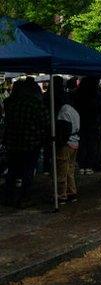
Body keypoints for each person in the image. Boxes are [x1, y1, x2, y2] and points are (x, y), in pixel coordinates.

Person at [2, 79, 47, 207]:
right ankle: (24, 197)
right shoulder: (35, 103)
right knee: (28, 170)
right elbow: (45, 121)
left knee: (12, 170)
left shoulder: (9, 103)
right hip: (31, 141)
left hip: (12, 141)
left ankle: (8, 196)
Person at [55, 86, 81, 205]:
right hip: (75, 141)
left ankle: (61, 195)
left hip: (67, 143)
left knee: (62, 170)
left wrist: (60, 142)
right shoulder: (74, 110)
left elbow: (64, 129)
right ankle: (71, 192)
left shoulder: (64, 111)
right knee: (70, 170)